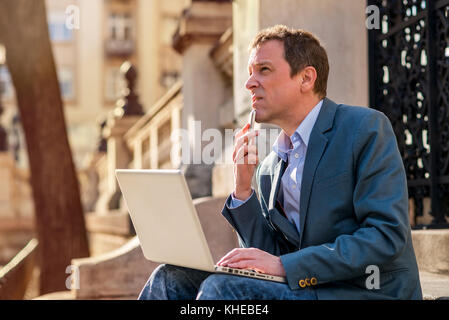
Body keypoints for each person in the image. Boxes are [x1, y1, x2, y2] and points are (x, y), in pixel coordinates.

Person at [138, 25, 422, 300]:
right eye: (249, 73)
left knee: (224, 291)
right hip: (303, 288)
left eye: (264, 70)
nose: (249, 83)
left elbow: (386, 236)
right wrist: (242, 190)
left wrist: (287, 266)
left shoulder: (364, 128)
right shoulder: (269, 167)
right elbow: (267, 257)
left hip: (361, 291)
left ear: (306, 79)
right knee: (169, 279)